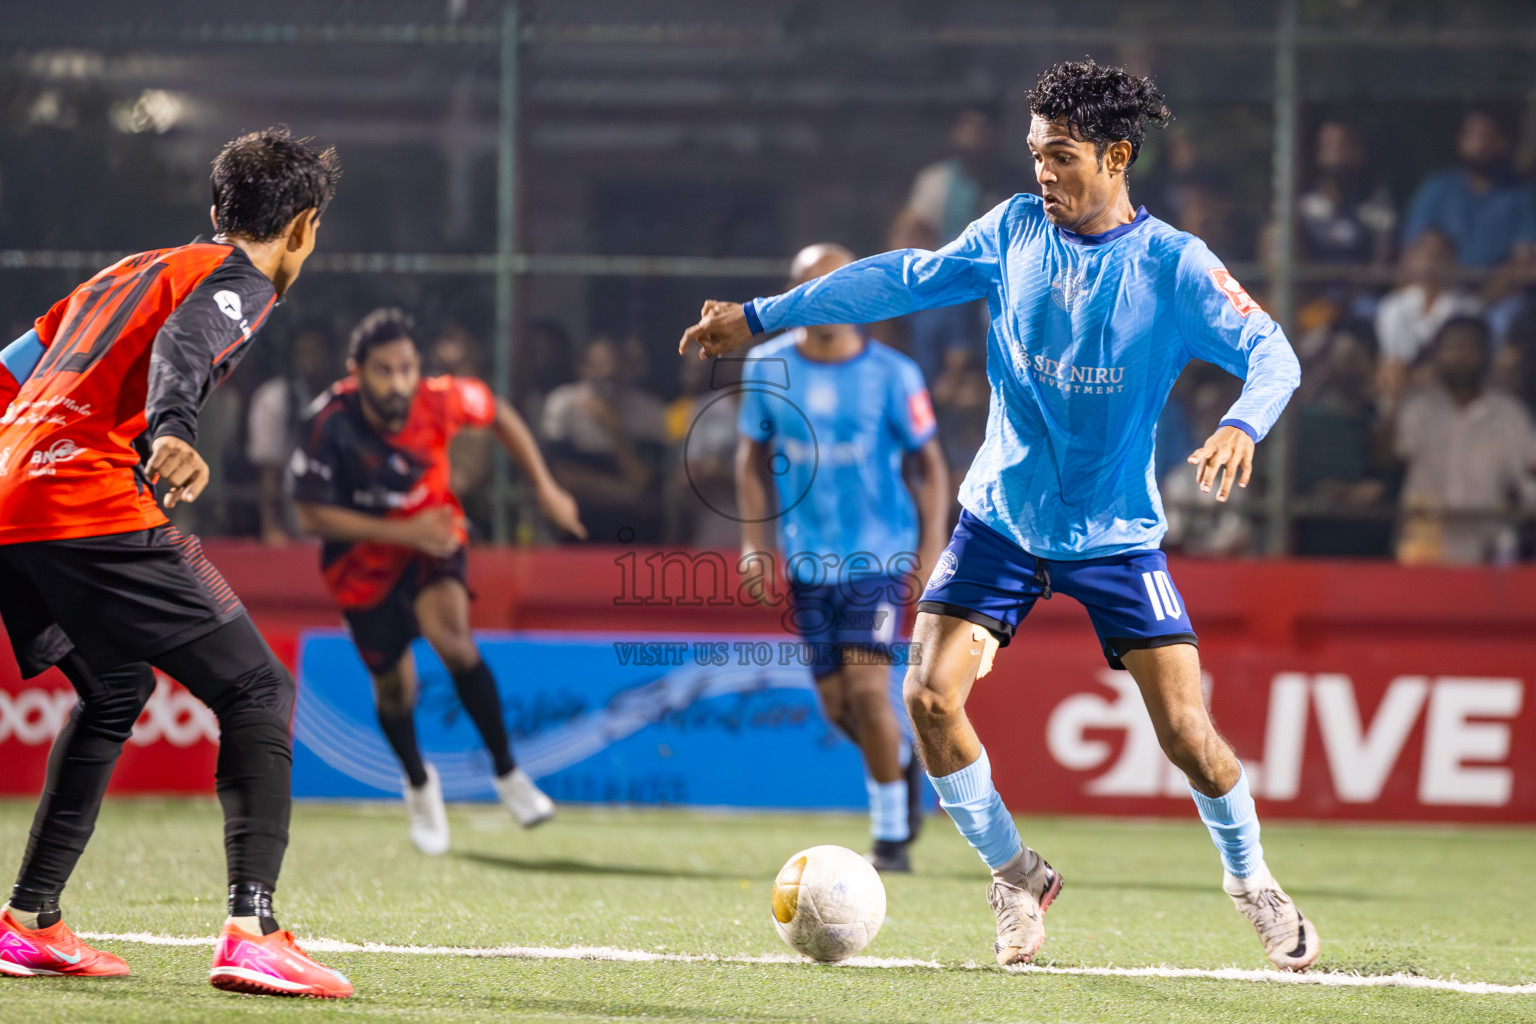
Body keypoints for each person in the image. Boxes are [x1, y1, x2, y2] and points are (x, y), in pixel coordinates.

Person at [681, 59, 1313, 971]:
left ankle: (1252, 882)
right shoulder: (1012, 230)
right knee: (927, 698)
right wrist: (760, 313)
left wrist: (1243, 422)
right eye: (1036, 154)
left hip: (1114, 536)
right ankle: (1017, 876)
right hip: (1001, 520)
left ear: (1117, 156)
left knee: (1188, 736)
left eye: (1062, 156)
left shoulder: (1173, 266)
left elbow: (1273, 352)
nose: (1043, 173)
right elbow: (898, 279)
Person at [0, 128, 353, 998]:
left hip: (12, 494)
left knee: (116, 688)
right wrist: (174, 431)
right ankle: (252, 931)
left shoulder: (126, 271)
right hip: (83, 497)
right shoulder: (238, 279)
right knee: (258, 689)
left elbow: (10, 370)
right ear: (302, 227)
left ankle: (29, 922)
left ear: (214, 208)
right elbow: (184, 349)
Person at [289, 308, 585, 853]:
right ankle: (420, 785)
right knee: (396, 688)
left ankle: (508, 774)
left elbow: (499, 413)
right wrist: (402, 532)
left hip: (434, 540)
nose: (398, 383)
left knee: (454, 642)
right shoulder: (328, 421)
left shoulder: (442, 398)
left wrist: (544, 486)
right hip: (361, 566)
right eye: (384, 371)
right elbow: (310, 516)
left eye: (407, 368)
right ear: (357, 371)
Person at [735, 243, 951, 873]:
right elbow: (749, 461)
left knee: (866, 686)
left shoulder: (893, 374)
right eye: (813, 289)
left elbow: (930, 463)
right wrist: (754, 543)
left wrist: (932, 542)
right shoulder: (766, 366)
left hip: (877, 562)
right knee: (838, 707)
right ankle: (900, 766)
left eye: (840, 288)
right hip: (808, 563)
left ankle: (890, 839)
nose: (827, 301)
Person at [1395, 316, 1536, 565]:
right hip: (1423, 550)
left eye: (1470, 348)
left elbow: (1528, 481)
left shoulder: (1509, 414)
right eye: (1453, 348)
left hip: (1489, 555)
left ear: (1486, 354)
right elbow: (1389, 459)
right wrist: (1397, 396)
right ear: (1437, 354)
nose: (1461, 356)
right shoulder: (1417, 408)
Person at [541, 336, 669, 543]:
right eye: (597, 367)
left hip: (634, 531)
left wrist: (616, 432)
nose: (605, 376)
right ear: (582, 368)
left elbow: (646, 484)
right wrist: (625, 493)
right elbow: (561, 475)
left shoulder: (650, 412)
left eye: (612, 370)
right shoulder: (562, 405)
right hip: (577, 524)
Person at [1402, 110, 1536, 273]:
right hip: (1443, 284)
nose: (1479, 146)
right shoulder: (1438, 188)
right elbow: (1413, 250)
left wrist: (1489, 291)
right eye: (1472, 136)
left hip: (1501, 286)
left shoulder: (1521, 195)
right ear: (1460, 141)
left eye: (1487, 137)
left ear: (1503, 142)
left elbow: (1525, 259)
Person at [246, 321, 337, 545]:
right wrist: (271, 527)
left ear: (330, 355)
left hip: (338, 521)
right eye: (303, 353)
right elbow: (267, 472)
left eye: (316, 351)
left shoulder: (345, 398)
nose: (310, 360)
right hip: (293, 521)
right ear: (292, 357)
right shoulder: (275, 398)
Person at [1374, 230, 1481, 405]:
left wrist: (1433, 371)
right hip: (1406, 380)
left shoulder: (1469, 309)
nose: (1431, 264)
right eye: (1425, 256)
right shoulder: (1394, 306)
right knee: (1392, 373)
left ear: (1453, 263)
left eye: (1439, 257)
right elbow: (1396, 356)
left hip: (1451, 381)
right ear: (1413, 261)